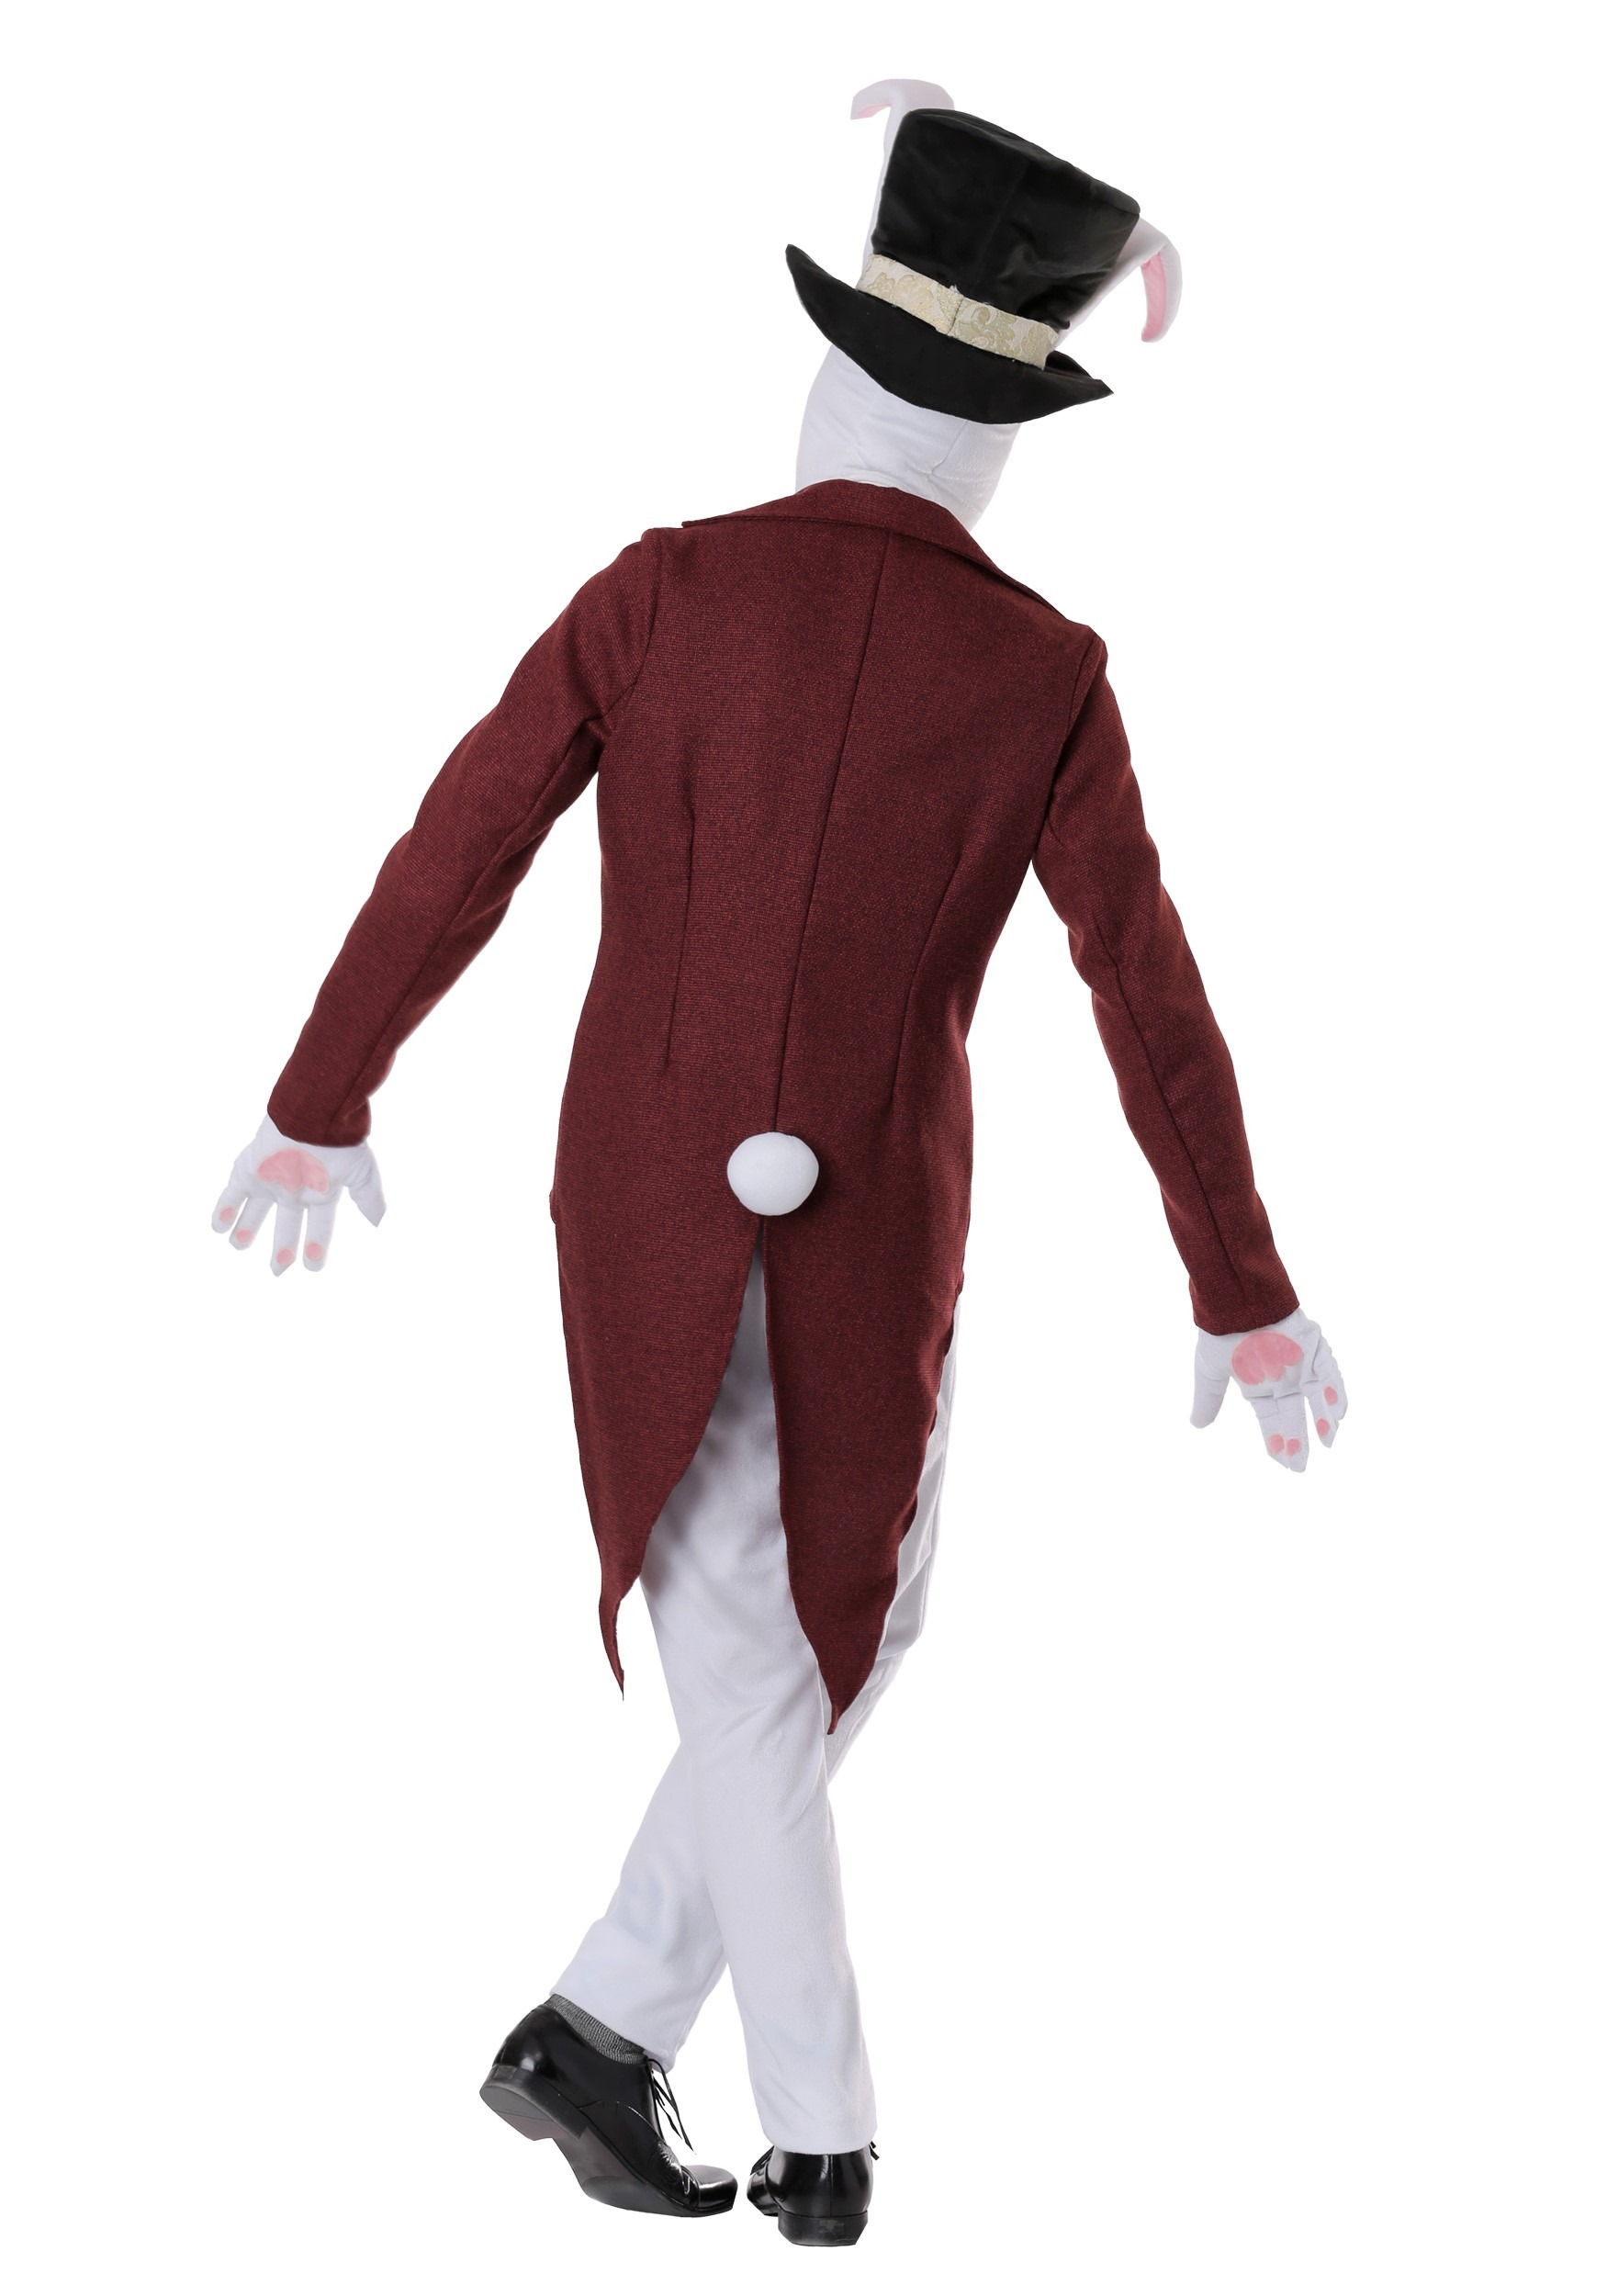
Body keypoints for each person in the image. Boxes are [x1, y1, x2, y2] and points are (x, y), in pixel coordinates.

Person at [213, 84, 1347, 2247]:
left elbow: (459, 839)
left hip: (680, 1189)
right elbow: (1148, 993)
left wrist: (322, 1087)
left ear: (831, 372)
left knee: (854, 1618)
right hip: (858, 1206)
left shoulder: (673, 589)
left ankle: (593, 2023)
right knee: (767, 1647)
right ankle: (818, 2129)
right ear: (1000, 432)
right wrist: (1240, 1278)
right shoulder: (1033, 666)